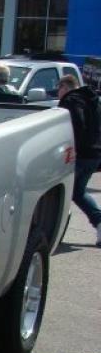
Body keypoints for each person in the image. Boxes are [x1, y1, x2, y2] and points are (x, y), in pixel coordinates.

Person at [58, 74, 101, 246]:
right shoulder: (95, 101)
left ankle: (53, 231)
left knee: (64, 192)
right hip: (94, 155)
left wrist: (70, 146)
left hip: (79, 154)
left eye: (59, 90)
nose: (58, 94)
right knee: (78, 192)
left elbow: (76, 125)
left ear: (65, 87)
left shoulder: (71, 101)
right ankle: (98, 221)